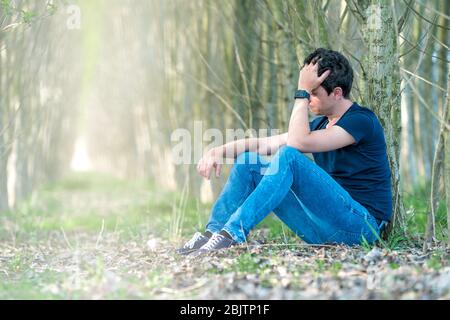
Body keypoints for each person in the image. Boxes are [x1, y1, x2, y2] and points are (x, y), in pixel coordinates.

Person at [177, 48, 392, 256]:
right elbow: (262, 145)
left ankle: (232, 233)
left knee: (289, 156)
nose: (308, 100)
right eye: (307, 95)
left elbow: (297, 143)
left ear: (337, 93)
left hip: (361, 227)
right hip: (323, 229)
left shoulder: (362, 121)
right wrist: (218, 151)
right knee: (248, 162)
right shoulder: (319, 125)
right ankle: (213, 233)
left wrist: (301, 92)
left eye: (313, 93)